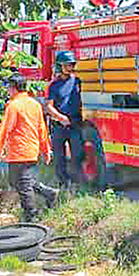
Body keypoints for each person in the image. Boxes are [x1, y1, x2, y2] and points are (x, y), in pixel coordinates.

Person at [0, 73, 54, 222]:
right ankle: (48, 193)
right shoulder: (35, 104)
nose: (8, 90)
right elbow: (42, 129)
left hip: (19, 151)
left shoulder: (13, 105)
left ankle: (31, 216)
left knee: (23, 185)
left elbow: (4, 130)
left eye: (8, 87)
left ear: (13, 88)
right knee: (17, 181)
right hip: (31, 150)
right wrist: (46, 150)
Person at [44, 51, 83, 192]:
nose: (70, 67)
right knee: (59, 157)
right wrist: (61, 118)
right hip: (59, 126)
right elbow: (49, 107)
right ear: (60, 66)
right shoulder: (54, 85)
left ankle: (76, 184)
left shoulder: (77, 81)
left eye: (71, 65)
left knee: (77, 154)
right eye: (67, 65)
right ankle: (63, 183)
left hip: (74, 124)